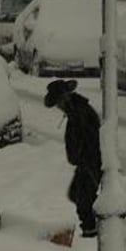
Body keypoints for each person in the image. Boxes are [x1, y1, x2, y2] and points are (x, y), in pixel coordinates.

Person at [45, 79, 102, 238]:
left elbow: (89, 138)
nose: (58, 107)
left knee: (83, 198)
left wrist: (84, 159)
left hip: (91, 162)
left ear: (64, 98)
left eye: (58, 103)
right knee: (76, 193)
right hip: (86, 162)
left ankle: (91, 230)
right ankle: (101, 218)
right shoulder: (75, 111)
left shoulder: (80, 113)